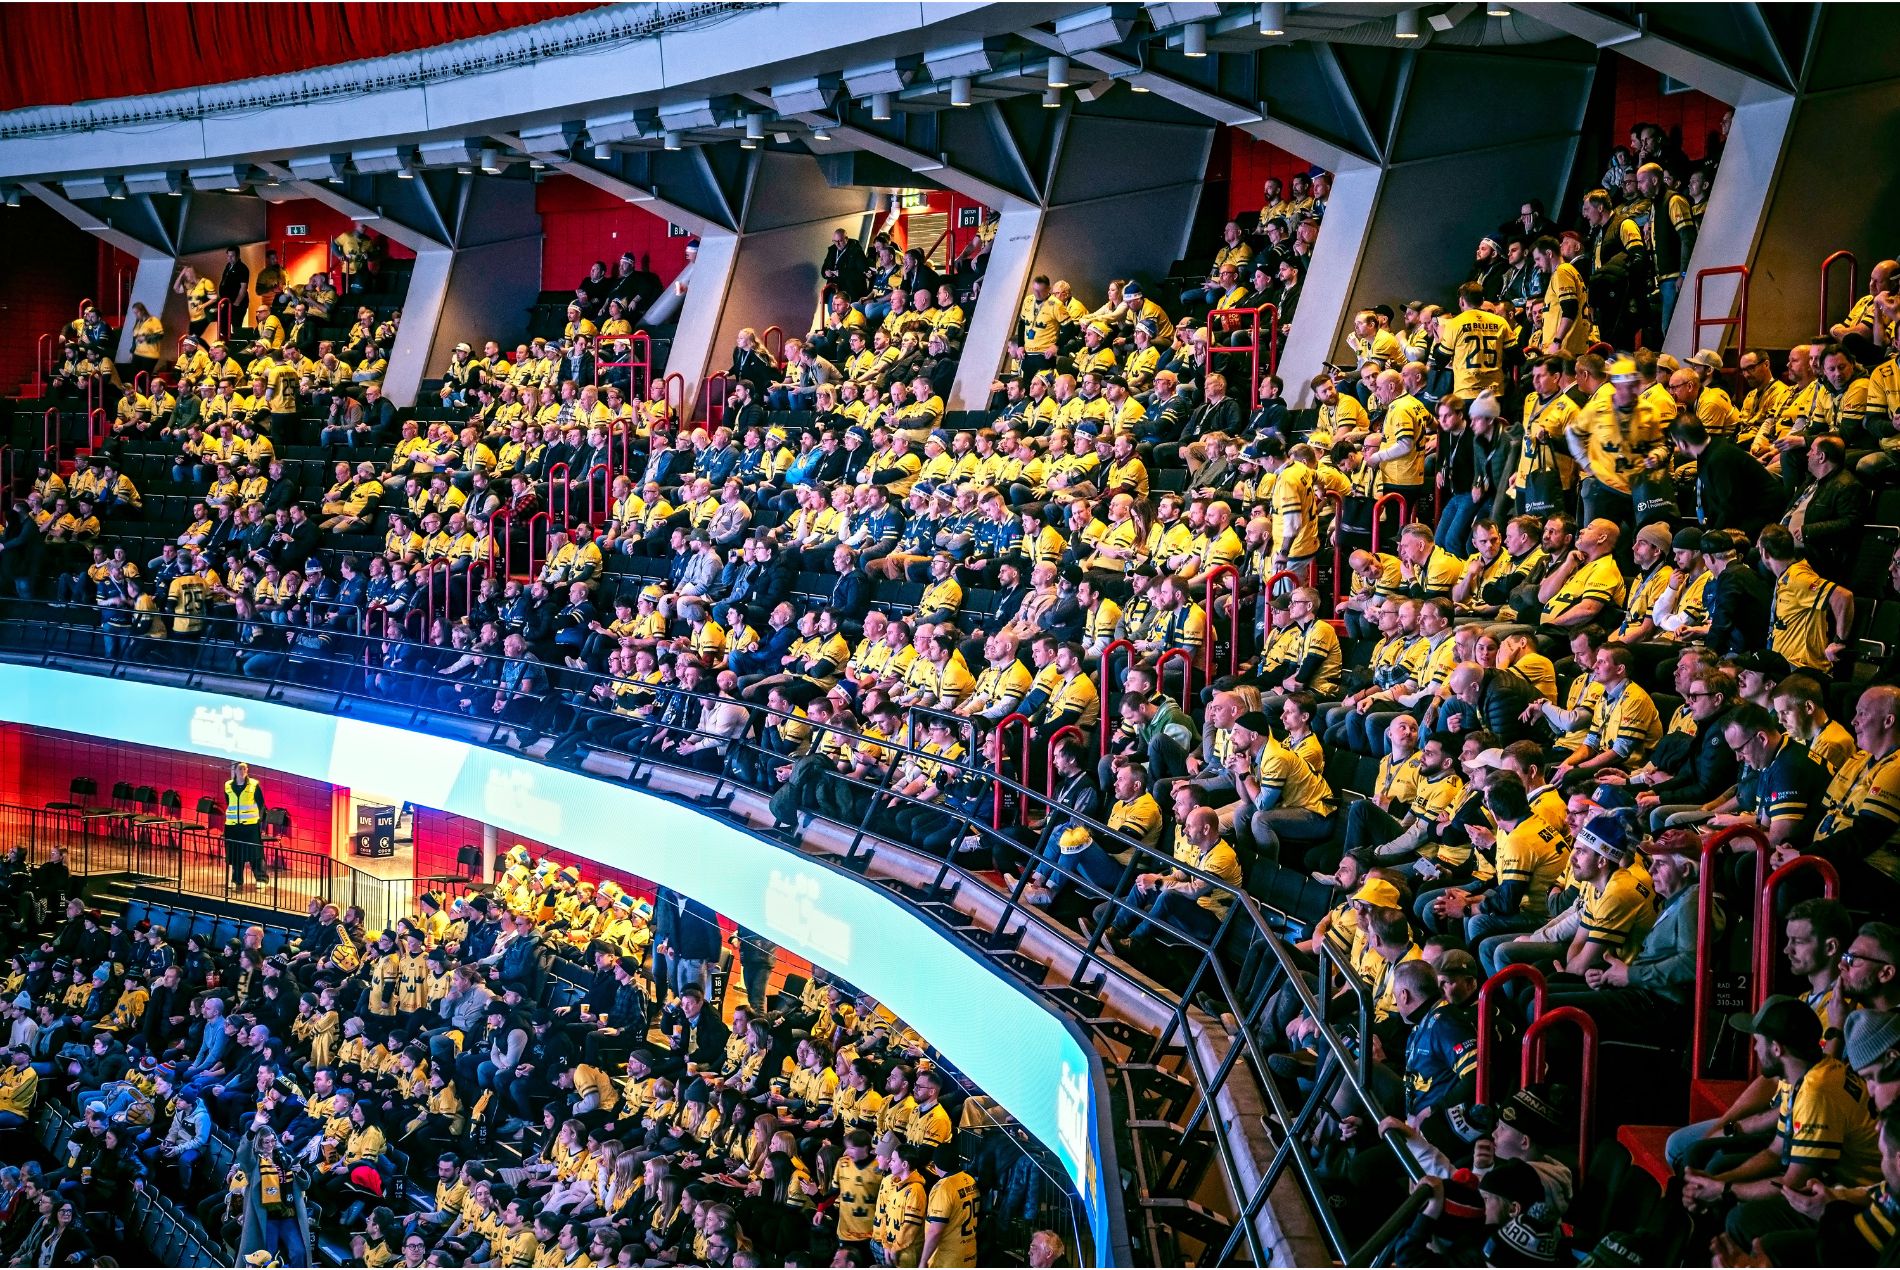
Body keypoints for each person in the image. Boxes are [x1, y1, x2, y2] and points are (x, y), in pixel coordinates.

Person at [222, 760, 269, 888]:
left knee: (255, 854)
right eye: (240, 769)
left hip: (250, 826)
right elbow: (228, 802)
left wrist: (260, 822)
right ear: (235, 771)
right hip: (233, 826)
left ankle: (261, 879)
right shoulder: (227, 786)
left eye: (245, 769)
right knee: (236, 854)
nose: (243, 771)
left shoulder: (254, 785)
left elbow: (261, 804)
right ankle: (236, 880)